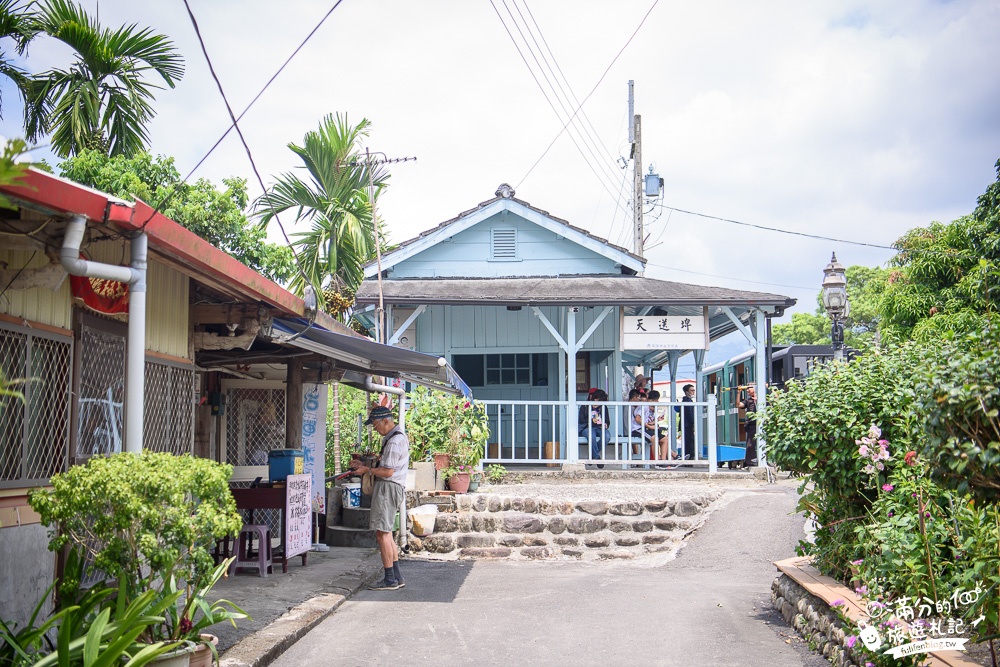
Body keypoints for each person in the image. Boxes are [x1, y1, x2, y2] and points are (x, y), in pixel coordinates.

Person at [351, 405, 409, 590]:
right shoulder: (395, 437)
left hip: (387, 487)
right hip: (393, 488)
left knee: (382, 533)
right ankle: (396, 577)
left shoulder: (393, 442)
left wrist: (367, 469)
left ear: (386, 421)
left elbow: (387, 471)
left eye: (376, 425)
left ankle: (389, 579)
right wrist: (365, 464)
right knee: (387, 533)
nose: (375, 429)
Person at [631, 389, 671, 465]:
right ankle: (657, 461)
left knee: (665, 439)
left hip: (645, 428)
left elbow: (646, 421)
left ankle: (663, 461)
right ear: (654, 400)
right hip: (637, 429)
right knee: (654, 438)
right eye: (657, 400)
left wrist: (656, 420)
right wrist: (649, 426)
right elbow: (638, 419)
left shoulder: (648, 407)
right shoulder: (644, 406)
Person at [579, 387, 610, 467]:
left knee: (606, 436)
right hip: (587, 428)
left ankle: (592, 456)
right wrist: (591, 420)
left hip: (600, 428)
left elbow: (607, 420)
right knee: (591, 435)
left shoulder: (603, 407)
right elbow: (581, 420)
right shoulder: (585, 406)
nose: (599, 402)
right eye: (597, 400)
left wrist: (606, 424)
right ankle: (597, 458)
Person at [737, 386, 758, 468]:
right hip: (752, 424)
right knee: (750, 444)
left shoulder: (764, 398)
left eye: (750, 388)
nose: (748, 390)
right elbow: (738, 404)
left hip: (762, 423)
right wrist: (739, 393)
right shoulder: (748, 400)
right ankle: (750, 461)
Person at [680, 384, 696, 460]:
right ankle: (689, 457)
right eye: (691, 390)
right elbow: (689, 413)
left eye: (694, 390)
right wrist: (693, 422)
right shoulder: (687, 401)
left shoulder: (685, 400)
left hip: (685, 424)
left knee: (688, 442)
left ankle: (688, 456)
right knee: (689, 442)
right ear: (687, 392)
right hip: (687, 424)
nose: (693, 392)